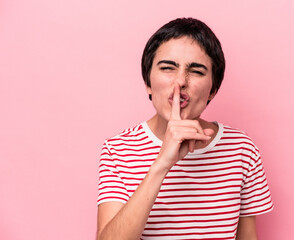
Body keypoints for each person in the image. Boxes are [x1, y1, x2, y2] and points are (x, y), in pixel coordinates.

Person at [96, 17, 274, 240]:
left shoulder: (241, 149)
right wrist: (162, 163)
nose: (180, 82)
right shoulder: (118, 150)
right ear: (148, 83)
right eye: (168, 68)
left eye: (197, 71)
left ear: (213, 90)